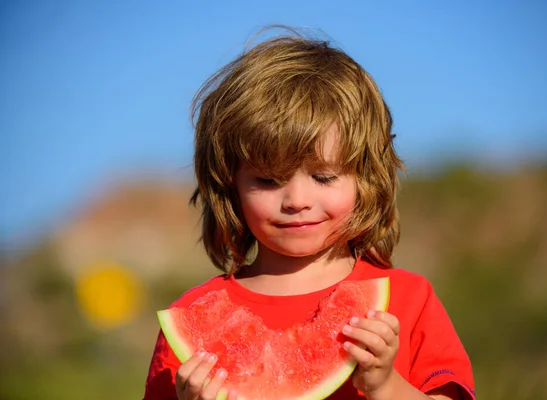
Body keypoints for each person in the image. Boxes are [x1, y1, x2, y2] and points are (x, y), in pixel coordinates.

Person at [143, 30, 476, 400]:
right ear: (229, 185)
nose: (297, 200)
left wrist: (387, 385)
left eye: (323, 177)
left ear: (365, 178)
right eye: (268, 180)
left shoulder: (408, 300)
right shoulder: (192, 314)